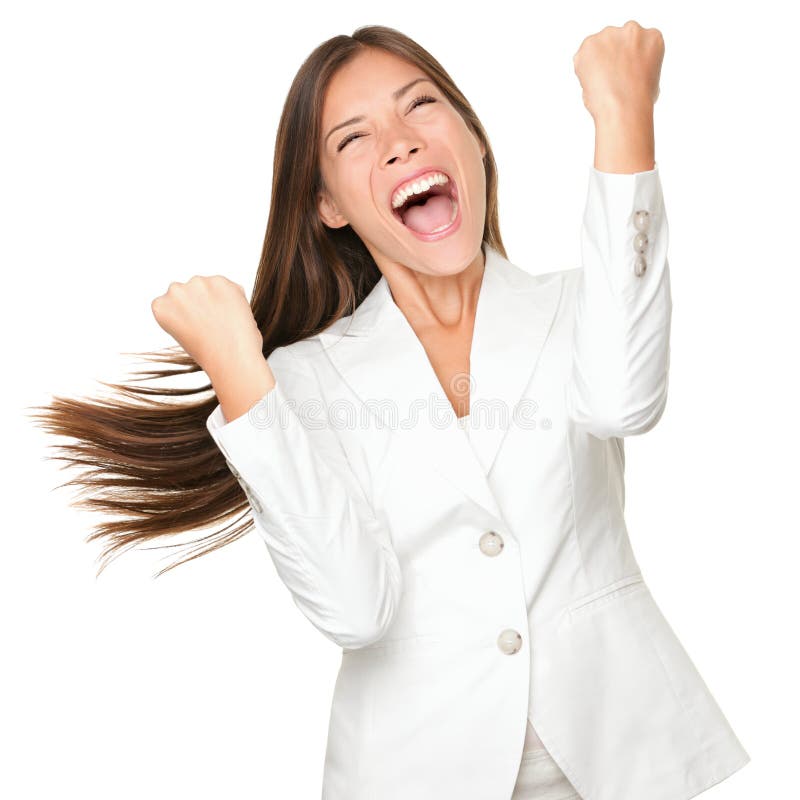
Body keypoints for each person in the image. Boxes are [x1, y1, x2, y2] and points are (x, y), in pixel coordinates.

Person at [33, 22, 750, 800]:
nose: (401, 144)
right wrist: (241, 375)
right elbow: (354, 608)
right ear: (329, 206)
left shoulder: (581, 306)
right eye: (354, 139)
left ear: (475, 143)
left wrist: (625, 117)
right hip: (415, 773)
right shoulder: (300, 380)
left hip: (621, 758)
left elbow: (625, 399)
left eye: (422, 106)